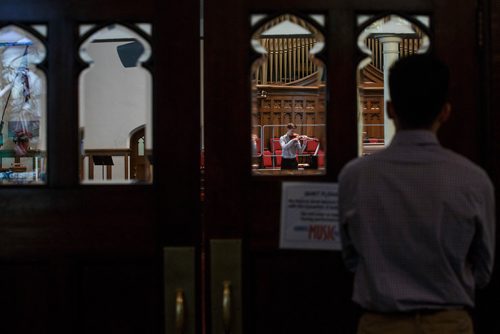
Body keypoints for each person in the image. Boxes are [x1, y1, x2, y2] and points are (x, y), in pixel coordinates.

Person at [339, 54, 495, 334]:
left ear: (390, 110)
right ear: (445, 112)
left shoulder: (356, 176)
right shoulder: (472, 179)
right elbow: (483, 269)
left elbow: (351, 257)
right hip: (448, 324)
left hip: (380, 324)